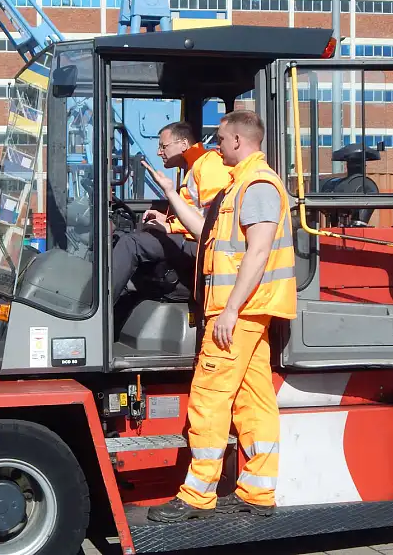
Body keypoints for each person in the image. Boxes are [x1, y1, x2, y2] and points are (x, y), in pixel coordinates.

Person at [141, 109, 297, 523]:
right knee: (253, 401)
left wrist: (229, 311)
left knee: (210, 399)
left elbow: (259, 252)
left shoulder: (258, 185)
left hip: (237, 313)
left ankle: (197, 495)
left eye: (221, 140)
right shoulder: (239, 186)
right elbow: (206, 232)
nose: (215, 146)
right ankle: (258, 492)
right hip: (244, 313)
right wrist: (170, 199)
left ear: (239, 142)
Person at [111, 121, 230, 304]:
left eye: (163, 146)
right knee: (129, 235)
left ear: (183, 144)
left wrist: (170, 226)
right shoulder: (191, 168)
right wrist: (167, 220)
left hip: (201, 244)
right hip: (191, 237)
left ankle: (100, 308)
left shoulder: (209, 165)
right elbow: (195, 211)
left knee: (131, 244)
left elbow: (214, 218)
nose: (159, 152)